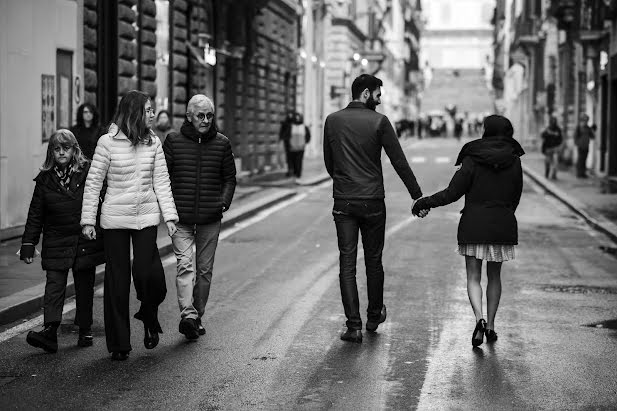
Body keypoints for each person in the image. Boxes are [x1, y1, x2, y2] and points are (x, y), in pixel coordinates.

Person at [323, 74, 426, 343]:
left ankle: (353, 326)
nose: (380, 101)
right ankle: (373, 316)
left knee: (347, 262)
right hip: (372, 201)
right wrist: (417, 195)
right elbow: (398, 161)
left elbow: (329, 163)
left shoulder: (332, 121)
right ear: (366, 93)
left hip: (343, 200)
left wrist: (345, 182)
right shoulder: (380, 122)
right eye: (378, 95)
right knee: (373, 260)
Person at [81, 90, 178, 361]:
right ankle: (119, 343)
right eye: (147, 110)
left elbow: (162, 182)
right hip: (115, 218)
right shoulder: (107, 143)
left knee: (148, 274)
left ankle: (149, 316)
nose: (152, 114)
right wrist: (88, 220)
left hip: (146, 216)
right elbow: (94, 183)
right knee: (117, 280)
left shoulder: (153, 143)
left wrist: (170, 217)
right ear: (135, 112)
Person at [412, 115, 524, 347]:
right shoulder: (514, 160)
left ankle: (479, 319)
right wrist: (504, 213)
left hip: (474, 224)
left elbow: (452, 193)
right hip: (502, 223)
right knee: (494, 277)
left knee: (473, 277)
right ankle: (491, 326)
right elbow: (516, 195)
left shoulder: (473, 158)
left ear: (486, 131)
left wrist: (425, 202)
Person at [20, 129, 105, 353]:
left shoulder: (86, 172)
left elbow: (98, 200)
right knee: (54, 285)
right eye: (56, 149)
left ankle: (85, 328)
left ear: (74, 149)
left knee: (84, 285)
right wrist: (29, 243)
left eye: (65, 148)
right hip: (56, 239)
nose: (61, 152)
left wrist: (100, 228)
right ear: (51, 152)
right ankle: (50, 331)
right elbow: (35, 213)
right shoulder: (45, 178)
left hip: (82, 238)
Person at [163, 94, 236, 340]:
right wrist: (168, 209)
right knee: (185, 266)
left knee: (204, 270)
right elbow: (163, 178)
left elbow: (229, 178)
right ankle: (188, 316)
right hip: (181, 218)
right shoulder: (173, 141)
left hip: (210, 218)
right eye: (200, 116)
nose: (205, 120)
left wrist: (223, 203)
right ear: (189, 116)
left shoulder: (222, 143)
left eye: (209, 115)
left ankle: (197, 315)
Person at [287, 112, 310, 180]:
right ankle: (295, 173)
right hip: (292, 147)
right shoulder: (291, 126)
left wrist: (305, 142)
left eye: (298, 117)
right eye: (296, 118)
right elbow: (287, 135)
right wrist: (289, 143)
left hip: (301, 147)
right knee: (293, 161)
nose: (297, 119)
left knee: (299, 161)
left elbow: (308, 135)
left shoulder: (304, 127)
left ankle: (298, 174)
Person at [574, 114, 595, 178]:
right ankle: (579, 173)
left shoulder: (588, 128)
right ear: (582, 120)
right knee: (580, 159)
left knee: (584, 159)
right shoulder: (579, 127)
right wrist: (577, 143)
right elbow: (575, 136)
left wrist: (593, 130)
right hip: (581, 146)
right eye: (584, 120)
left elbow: (592, 136)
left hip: (586, 145)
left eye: (586, 120)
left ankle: (583, 173)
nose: (586, 122)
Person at [279, 110, 296, 177]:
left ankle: (294, 170)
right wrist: (281, 139)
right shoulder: (285, 123)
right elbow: (281, 132)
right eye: (289, 114)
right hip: (287, 143)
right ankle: (290, 170)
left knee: (294, 157)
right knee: (289, 157)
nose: (290, 115)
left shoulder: (295, 123)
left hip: (294, 142)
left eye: (291, 114)